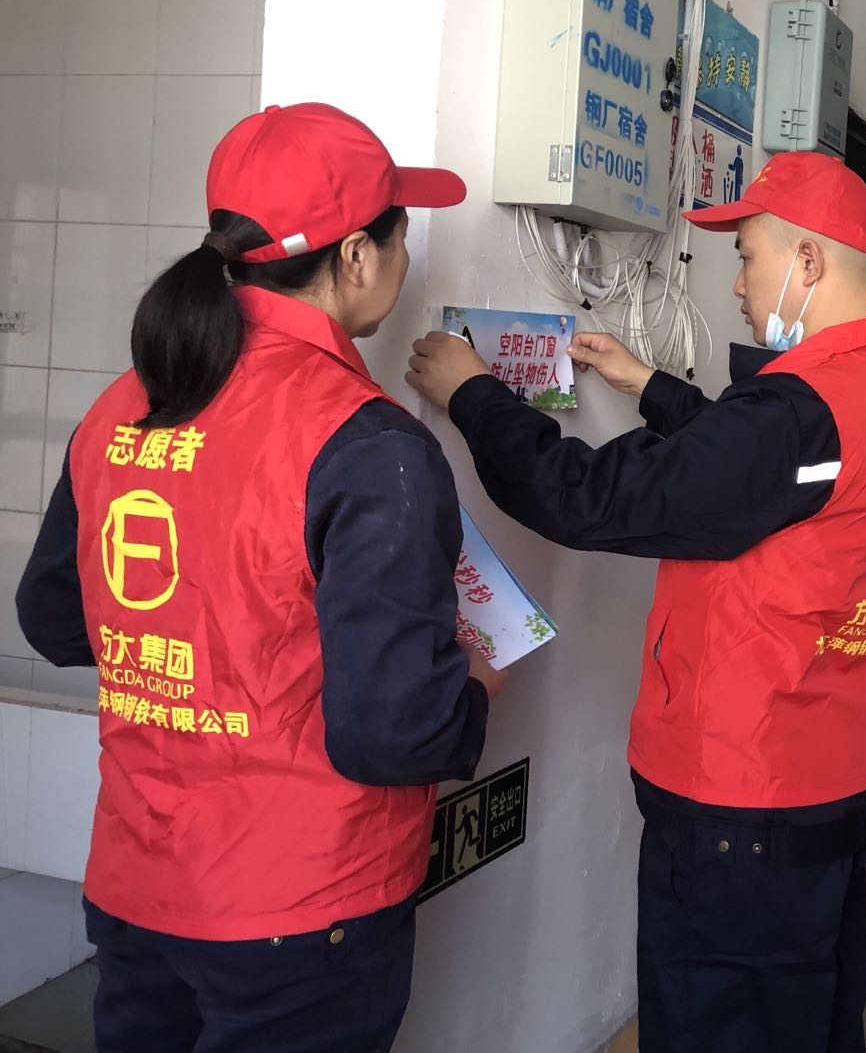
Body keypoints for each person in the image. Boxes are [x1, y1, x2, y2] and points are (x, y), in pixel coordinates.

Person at [404, 151, 866, 1053]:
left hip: (744, 798)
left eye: (749, 256)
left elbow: (589, 498)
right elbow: (769, 479)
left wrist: (473, 395)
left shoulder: (793, 415)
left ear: (809, 262)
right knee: (811, 1014)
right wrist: (648, 384)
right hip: (833, 776)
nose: (738, 283)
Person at [13, 102, 502, 1053]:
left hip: (140, 887)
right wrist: (475, 690)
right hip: (303, 910)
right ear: (355, 257)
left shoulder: (123, 405)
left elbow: (55, 619)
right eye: (399, 235)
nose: (405, 259)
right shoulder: (368, 442)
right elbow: (393, 730)